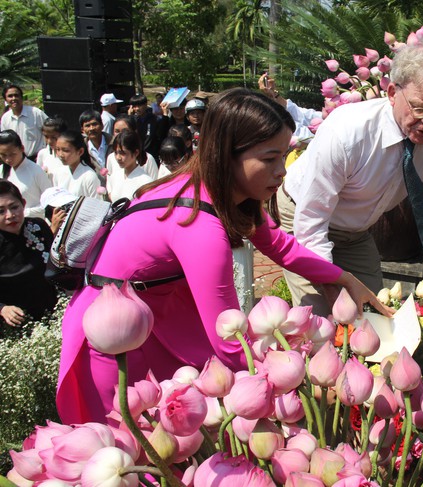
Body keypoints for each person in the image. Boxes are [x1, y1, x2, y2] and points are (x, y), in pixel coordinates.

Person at [55, 88, 390, 425]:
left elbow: (281, 246)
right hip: (112, 340)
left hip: (153, 322)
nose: (282, 171)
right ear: (228, 155)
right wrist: (307, 383)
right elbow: (230, 343)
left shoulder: (212, 189)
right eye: (270, 158)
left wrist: (343, 278)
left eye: (284, 156)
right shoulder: (199, 225)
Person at [279, 43, 423, 317]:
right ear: (392, 92)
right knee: (325, 323)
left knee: (376, 318)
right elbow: (311, 224)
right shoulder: (347, 132)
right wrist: (337, 302)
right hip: (301, 217)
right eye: (420, 109)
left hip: (355, 232)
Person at [0, 180, 57, 326]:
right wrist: (2, 308)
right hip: (16, 321)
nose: (10, 215)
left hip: (52, 309)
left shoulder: (38, 226)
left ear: (23, 204)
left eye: (14, 207)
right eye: (1, 211)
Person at [0, 129, 52, 219]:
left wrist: (23, 212)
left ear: (22, 148)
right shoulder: (1, 170)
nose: (8, 159)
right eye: (3, 155)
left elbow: (50, 202)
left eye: (12, 154)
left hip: (32, 221)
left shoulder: (36, 171)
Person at [258, 73, 320, 140]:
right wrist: (273, 94)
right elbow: (302, 116)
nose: (326, 98)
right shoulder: (324, 118)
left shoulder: (325, 135)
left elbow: (301, 133)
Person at [1, 85, 48, 160]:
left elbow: (51, 131)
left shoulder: (36, 113)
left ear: (21, 97)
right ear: (6, 100)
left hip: (36, 159)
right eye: (10, 96)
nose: (14, 98)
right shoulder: (5, 118)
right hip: (15, 161)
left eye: (16, 95)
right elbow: (5, 141)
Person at [106, 130, 153, 202]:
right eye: (116, 153)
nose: (118, 157)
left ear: (136, 152)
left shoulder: (146, 182)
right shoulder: (115, 176)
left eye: (123, 153)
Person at [107, 115, 159, 180]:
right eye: (117, 131)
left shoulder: (148, 159)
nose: (121, 134)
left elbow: (155, 184)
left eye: (125, 131)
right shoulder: (111, 158)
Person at [54, 130, 103, 199]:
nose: (60, 154)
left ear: (80, 151)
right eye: (57, 149)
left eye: (66, 150)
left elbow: (96, 205)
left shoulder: (89, 176)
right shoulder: (59, 172)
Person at [128, 93, 169, 160]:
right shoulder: (133, 120)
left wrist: (165, 114)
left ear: (145, 105)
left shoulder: (154, 119)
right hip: (137, 156)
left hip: (152, 156)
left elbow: (162, 132)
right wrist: (129, 116)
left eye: (139, 106)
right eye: (134, 106)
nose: (137, 109)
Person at [36, 117, 68, 186]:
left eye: (54, 137)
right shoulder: (42, 154)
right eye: (46, 137)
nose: (49, 141)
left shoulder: (70, 155)